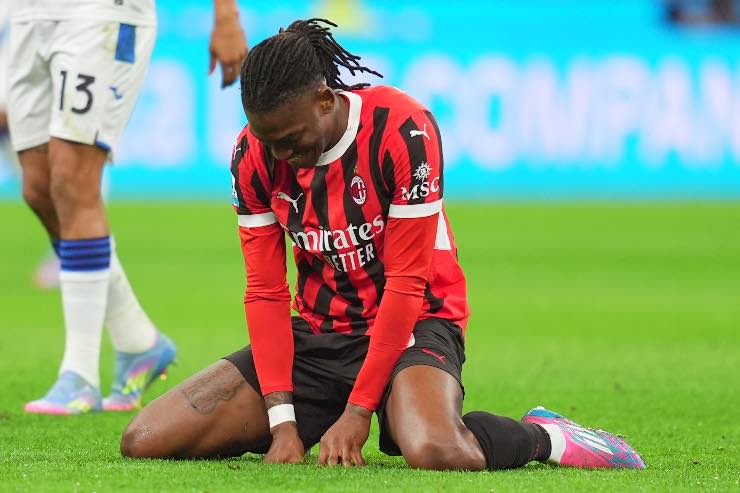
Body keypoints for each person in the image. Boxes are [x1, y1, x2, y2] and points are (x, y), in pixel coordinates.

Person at [119, 19, 646, 471]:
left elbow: (408, 283)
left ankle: (546, 436)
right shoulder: (252, 157)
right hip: (322, 335)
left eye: (290, 139)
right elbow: (265, 293)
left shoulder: (402, 130)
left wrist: (358, 413)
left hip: (417, 322)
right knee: (144, 439)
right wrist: (283, 422)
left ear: (325, 100)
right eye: (267, 141)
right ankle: (318, 410)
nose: (280, 155)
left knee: (436, 449)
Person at [7, 0, 248, 415]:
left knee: (72, 180)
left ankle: (79, 374)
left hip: (101, 15)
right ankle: (138, 341)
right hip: (29, 15)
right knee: (38, 189)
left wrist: (226, 14)